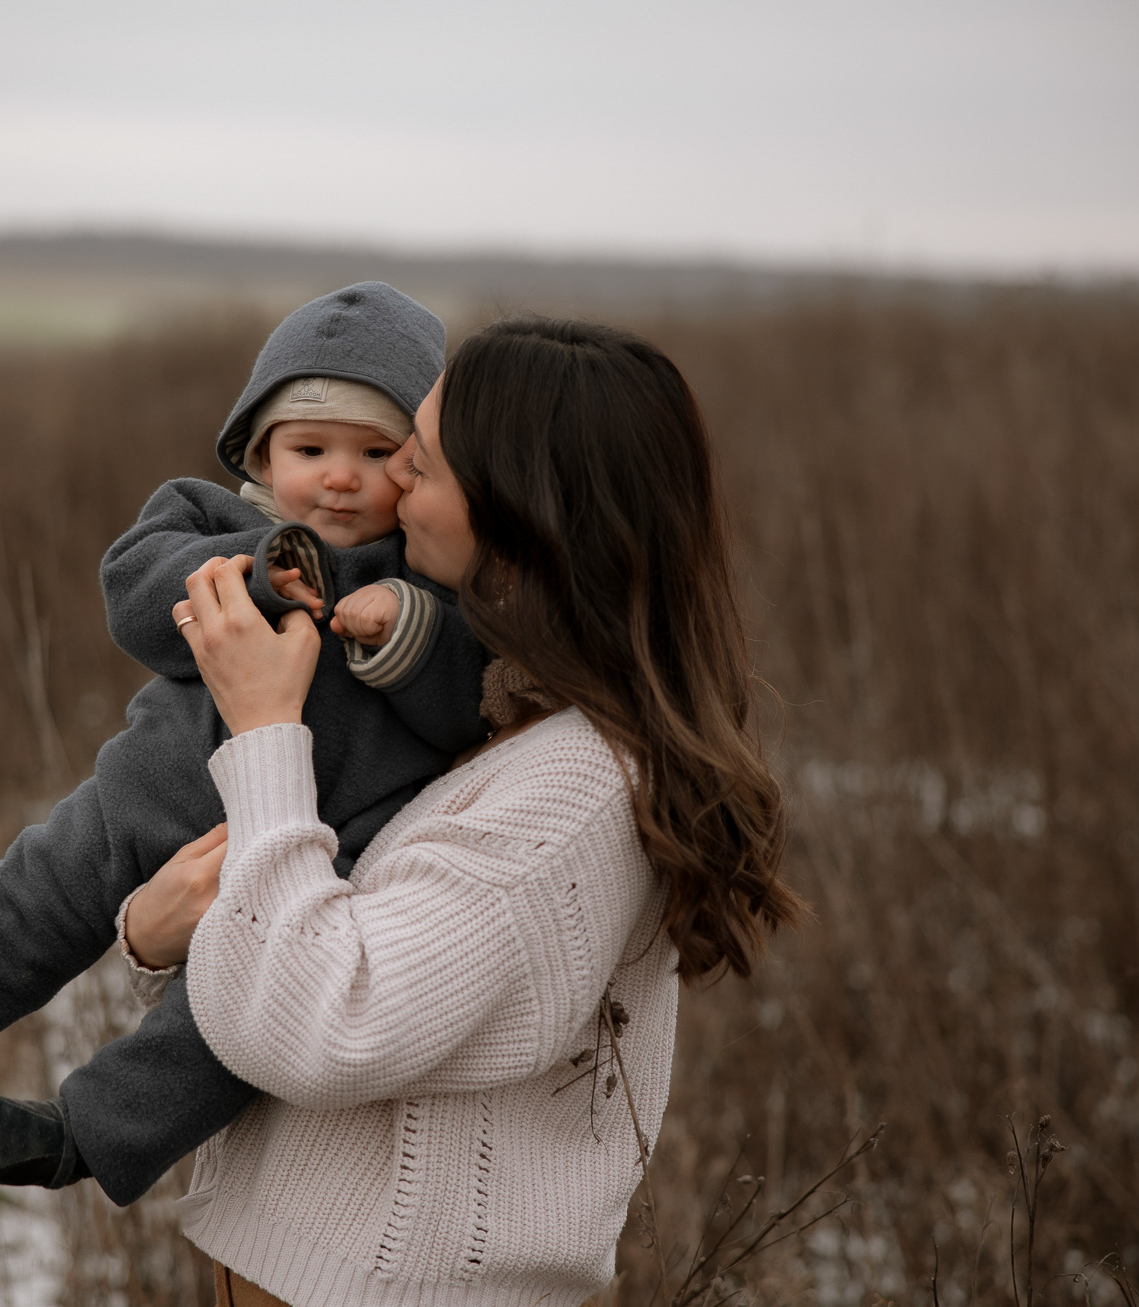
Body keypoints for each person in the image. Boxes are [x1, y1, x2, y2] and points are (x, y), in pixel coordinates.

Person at [123, 317, 804, 1305]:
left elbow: (329, 1023)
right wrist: (148, 932)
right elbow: (289, 940)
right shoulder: (498, 714)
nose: (390, 472)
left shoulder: (572, 790)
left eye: (423, 457)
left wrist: (264, 730)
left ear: (520, 512)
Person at [0, 283, 492, 1205]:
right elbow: (134, 599)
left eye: (378, 452)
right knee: (19, 901)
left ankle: (83, 1132)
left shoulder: (424, 576)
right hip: (143, 794)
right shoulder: (206, 521)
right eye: (311, 450)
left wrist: (400, 630)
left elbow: (461, 704)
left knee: (229, 1019)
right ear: (260, 450)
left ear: (423, 463)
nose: (340, 477)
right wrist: (257, 579)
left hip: (314, 844)